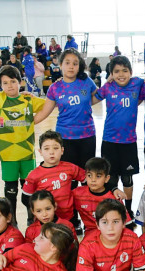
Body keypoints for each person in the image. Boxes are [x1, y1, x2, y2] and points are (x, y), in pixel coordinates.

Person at [0, 65, 45, 226]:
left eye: (13, 81)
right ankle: (11, 222)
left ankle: (31, 220)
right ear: (0, 84)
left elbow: (50, 104)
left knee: (29, 190)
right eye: (5, 83)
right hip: (8, 155)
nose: (9, 86)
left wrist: (34, 120)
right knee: (10, 191)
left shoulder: (28, 99)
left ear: (20, 82)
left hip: (27, 154)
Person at [34, 50, 98, 181]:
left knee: (87, 176)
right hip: (65, 138)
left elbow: (100, 95)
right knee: (69, 178)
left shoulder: (87, 82)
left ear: (79, 66)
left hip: (87, 136)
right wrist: (25, 123)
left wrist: (112, 81)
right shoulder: (55, 88)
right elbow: (44, 112)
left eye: (75, 63)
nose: (71, 66)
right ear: (60, 64)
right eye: (67, 63)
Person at [93, 55, 144, 218]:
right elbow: (91, 99)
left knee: (128, 178)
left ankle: (128, 209)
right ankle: (114, 208)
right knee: (111, 177)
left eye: (124, 70)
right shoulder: (108, 87)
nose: (121, 74)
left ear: (131, 72)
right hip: (109, 141)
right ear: (111, 74)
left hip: (128, 142)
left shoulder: (137, 83)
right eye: (116, 72)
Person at [22, 131, 86, 226]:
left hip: (68, 218)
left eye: (55, 148)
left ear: (62, 150)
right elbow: (25, 198)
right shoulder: (34, 175)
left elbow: (87, 179)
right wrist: (39, 211)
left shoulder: (70, 168)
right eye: (46, 149)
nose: (51, 152)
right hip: (46, 221)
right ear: (40, 152)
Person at [72, 157, 125, 234]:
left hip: (111, 233)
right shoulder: (77, 193)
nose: (93, 180)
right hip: (90, 233)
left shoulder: (114, 198)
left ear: (107, 178)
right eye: (89, 175)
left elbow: (125, 223)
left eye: (98, 176)